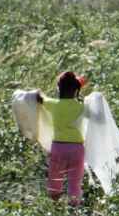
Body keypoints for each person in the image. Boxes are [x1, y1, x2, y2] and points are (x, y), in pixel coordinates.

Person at [37, 71, 88, 207]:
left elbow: (39, 98)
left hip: (58, 148)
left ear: (60, 89)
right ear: (76, 90)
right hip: (76, 149)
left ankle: (53, 210)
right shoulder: (82, 107)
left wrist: (36, 93)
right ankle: (73, 213)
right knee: (74, 183)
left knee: (55, 180)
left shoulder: (54, 105)